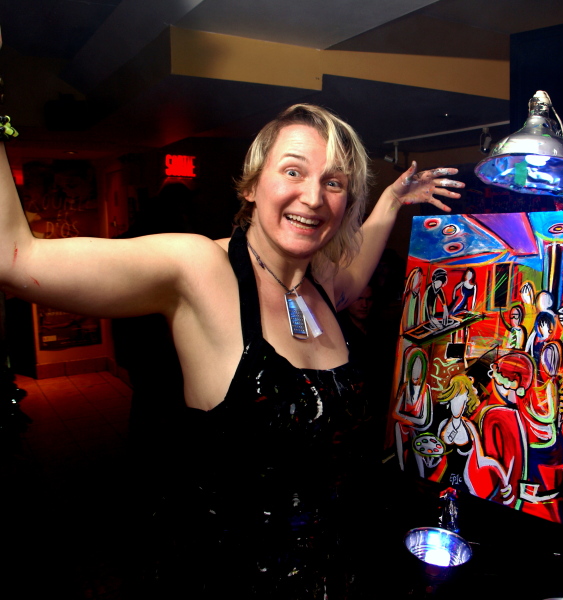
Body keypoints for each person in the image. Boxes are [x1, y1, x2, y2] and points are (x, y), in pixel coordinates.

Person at [0, 101, 464, 597]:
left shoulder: (324, 283)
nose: (313, 197)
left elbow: (358, 265)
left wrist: (391, 201)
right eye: (293, 171)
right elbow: (15, 259)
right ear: (251, 185)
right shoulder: (199, 268)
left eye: (333, 182)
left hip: (337, 574)